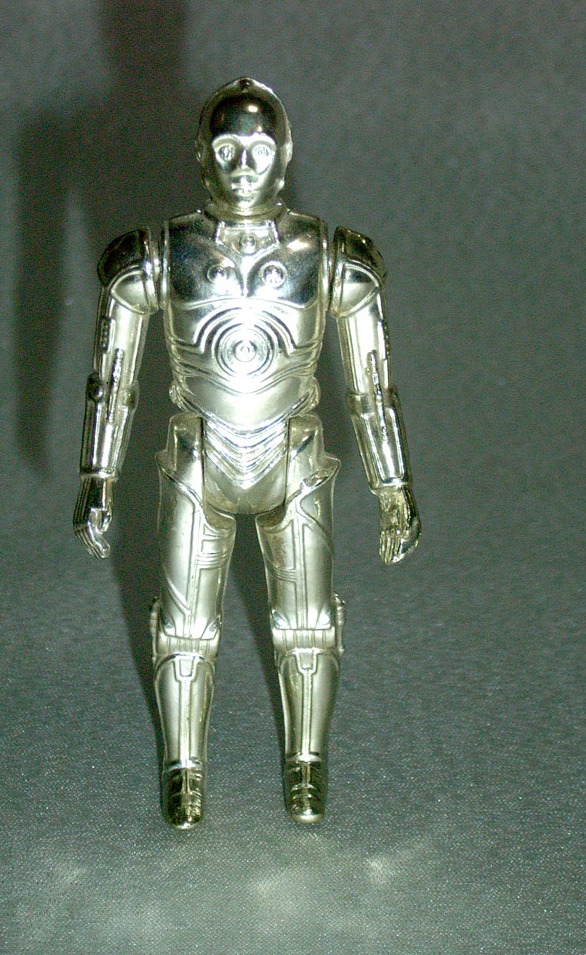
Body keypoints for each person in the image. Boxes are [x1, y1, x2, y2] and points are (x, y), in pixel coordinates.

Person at [74, 77, 420, 829]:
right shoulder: (159, 254)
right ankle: (183, 767)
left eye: (257, 150)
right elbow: (113, 378)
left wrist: (392, 485)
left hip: (293, 459)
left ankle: (307, 761)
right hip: (198, 460)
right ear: (201, 155)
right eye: (227, 149)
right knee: (183, 631)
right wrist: (97, 476)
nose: (241, 166)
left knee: (308, 626)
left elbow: (371, 385)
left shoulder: (329, 255)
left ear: (285, 155)